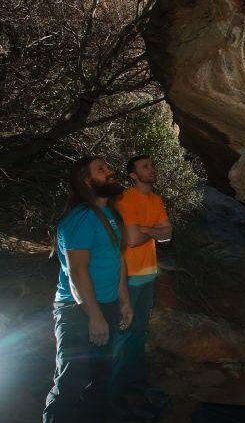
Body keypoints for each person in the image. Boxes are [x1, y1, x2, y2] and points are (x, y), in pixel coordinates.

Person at [43, 156, 133, 422]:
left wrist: (124, 301)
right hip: (77, 308)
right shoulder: (81, 218)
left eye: (108, 167)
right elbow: (77, 271)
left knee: (101, 378)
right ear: (86, 181)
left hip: (105, 305)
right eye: (101, 169)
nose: (110, 172)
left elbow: (116, 260)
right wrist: (94, 316)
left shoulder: (110, 214)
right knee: (72, 380)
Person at [111, 155, 172, 417]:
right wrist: (151, 231)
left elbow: (168, 234)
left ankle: (134, 383)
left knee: (139, 332)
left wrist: (146, 230)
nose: (151, 169)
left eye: (152, 165)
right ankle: (113, 394)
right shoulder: (126, 198)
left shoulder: (155, 200)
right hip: (128, 276)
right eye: (145, 166)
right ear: (133, 175)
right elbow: (133, 239)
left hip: (148, 274)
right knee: (122, 333)